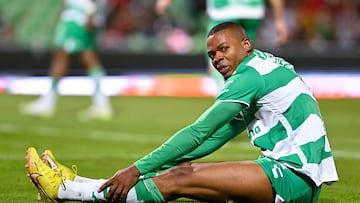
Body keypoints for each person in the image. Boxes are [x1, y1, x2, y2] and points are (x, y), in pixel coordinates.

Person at [26, 22, 338, 203]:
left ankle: (68, 191)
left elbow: (200, 131)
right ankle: (83, 183)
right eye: (211, 54)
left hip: (292, 177)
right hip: (294, 175)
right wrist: (152, 168)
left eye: (223, 49)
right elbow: (216, 138)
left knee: (179, 179)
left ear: (245, 44)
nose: (216, 59)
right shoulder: (262, 66)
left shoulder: (250, 76)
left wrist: (136, 168)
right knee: (183, 176)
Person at [156, 0, 289, 91]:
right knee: (243, 58)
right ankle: (244, 96)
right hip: (251, 10)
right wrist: (279, 19)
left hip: (224, 9)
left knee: (216, 56)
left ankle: (226, 97)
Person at [19, 0, 113, 120]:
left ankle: (48, 102)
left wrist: (90, 12)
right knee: (87, 57)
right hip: (81, 15)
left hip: (77, 17)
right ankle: (102, 103)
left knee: (63, 57)